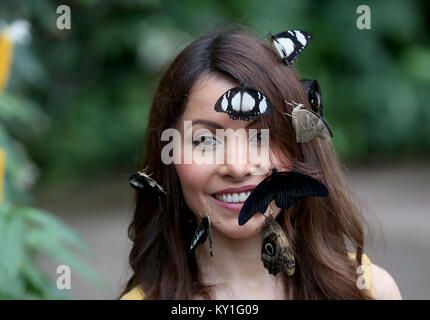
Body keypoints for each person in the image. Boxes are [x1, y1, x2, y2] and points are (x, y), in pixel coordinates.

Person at [120, 25, 401, 300]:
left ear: (299, 147)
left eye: (261, 136)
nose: (238, 167)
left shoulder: (367, 290)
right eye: (204, 140)